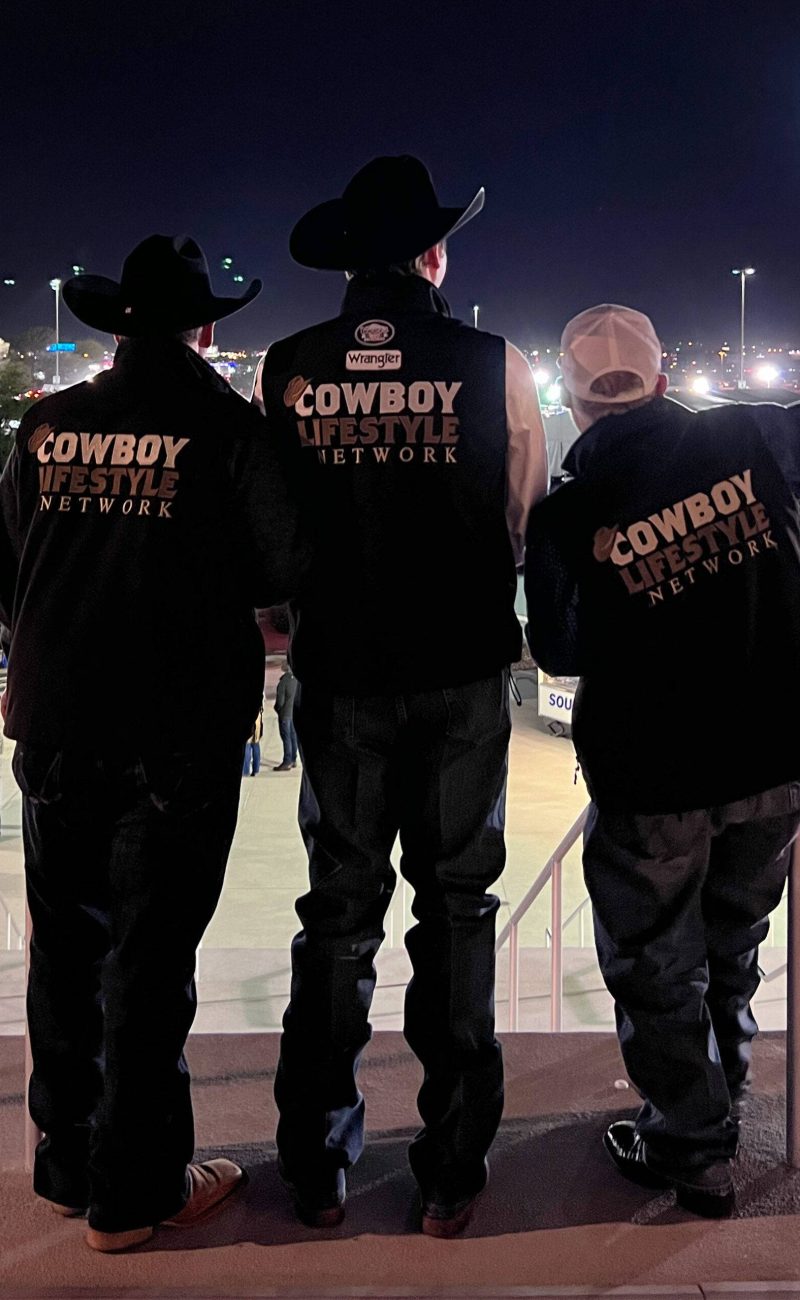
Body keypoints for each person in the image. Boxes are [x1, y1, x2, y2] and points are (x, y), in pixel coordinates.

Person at [253, 155, 548, 1236]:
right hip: (461, 674)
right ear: (433, 254)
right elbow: (518, 520)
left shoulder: (285, 367)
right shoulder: (494, 362)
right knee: (457, 911)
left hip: (337, 680)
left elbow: (273, 530)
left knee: (336, 920)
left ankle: (319, 1166)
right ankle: (448, 1174)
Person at [0, 235, 307, 1252]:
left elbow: (13, 555)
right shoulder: (229, 430)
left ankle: (63, 1158)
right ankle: (133, 1191)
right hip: (171, 735)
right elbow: (281, 570)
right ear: (206, 326)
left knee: (64, 948)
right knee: (146, 958)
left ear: (114, 327)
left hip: (52, 721)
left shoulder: (48, 423)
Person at [524, 303, 800, 1218]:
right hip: (770, 758)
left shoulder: (569, 509)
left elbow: (560, 649)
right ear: (666, 375)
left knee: (656, 966)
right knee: (733, 944)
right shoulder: (752, 436)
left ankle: (692, 1142)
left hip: (655, 776)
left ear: (573, 399)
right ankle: (725, 1100)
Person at [273, 660, 298, 770]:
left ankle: (287, 761)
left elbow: (280, 701)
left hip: (285, 714)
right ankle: (293, 759)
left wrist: (277, 709)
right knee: (293, 737)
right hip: (293, 714)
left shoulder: (284, 682)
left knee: (286, 738)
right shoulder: (295, 680)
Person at [243, 704, 264, 776]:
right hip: (258, 717)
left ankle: (245, 771)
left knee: (247, 744)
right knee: (255, 743)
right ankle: (256, 769)